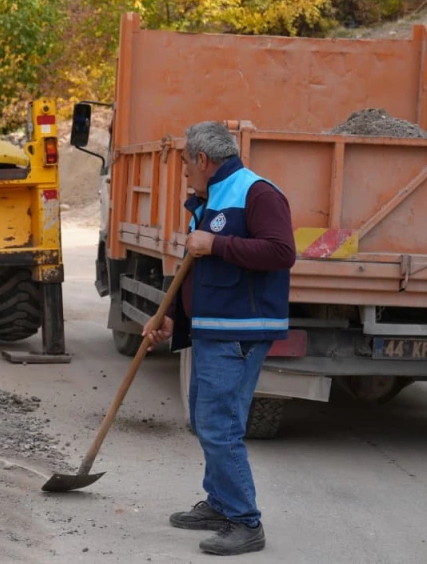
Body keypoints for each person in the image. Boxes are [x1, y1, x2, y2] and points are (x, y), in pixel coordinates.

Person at [147, 121, 296, 556]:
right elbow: (196, 267)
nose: (184, 173)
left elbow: (281, 252)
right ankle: (219, 503)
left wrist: (215, 243)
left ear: (202, 159)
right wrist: (173, 315)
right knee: (205, 419)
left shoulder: (257, 193)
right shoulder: (209, 198)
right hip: (213, 328)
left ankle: (244, 521)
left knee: (220, 426)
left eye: (185, 164)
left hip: (241, 331)